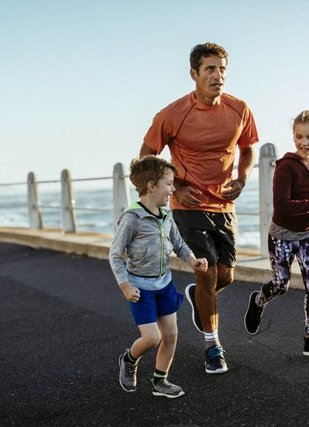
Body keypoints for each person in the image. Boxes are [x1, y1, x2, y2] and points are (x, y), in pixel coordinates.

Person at [139, 42, 259, 374]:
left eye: (222, 69)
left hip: (223, 205)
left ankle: (198, 296)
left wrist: (243, 176)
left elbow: (248, 149)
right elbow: (145, 157)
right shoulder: (172, 114)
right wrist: (176, 186)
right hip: (187, 206)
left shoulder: (239, 109)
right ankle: (213, 347)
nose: (218, 76)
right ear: (194, 73)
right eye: (210, 69)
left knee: (226, 276)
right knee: (206, 273)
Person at [243, 105, 309, 356]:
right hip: (282, 236)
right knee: (280, 285)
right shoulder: (286, 166)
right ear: (293, 136)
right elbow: (283, 206)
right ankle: (258, 301)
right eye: (299, 137)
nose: (304, 143)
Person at [109, 155, 208, 398]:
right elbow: (114, 254)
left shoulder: (167, 214)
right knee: (152, 338)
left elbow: (178, 244)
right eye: (169, 184)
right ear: (152, 186)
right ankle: (129, 359)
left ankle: (159, 381)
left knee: (171, 335)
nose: (173, 189)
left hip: (164, 284)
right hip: (140, 288)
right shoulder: (132, 218)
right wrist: (124, 286)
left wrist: (193, 260)